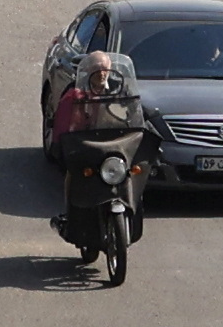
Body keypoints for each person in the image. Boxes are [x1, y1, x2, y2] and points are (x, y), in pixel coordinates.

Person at [50, 49, 149, 259]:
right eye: (97, 69)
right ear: (88, 71)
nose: (102, 73)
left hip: (115, 144)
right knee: (73, 174)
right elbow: (64, 124)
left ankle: (131, 208)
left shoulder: (120, 89)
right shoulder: (75, 94)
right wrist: (62, 145)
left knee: (133, 172)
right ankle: (72, 213)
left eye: (105, 69)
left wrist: (143, 126)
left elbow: (134, 112)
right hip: (87, 145)